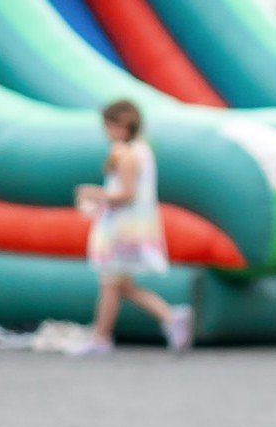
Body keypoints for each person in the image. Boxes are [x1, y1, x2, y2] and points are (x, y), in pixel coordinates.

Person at [72, 98, 191, 354]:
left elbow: (127, 193)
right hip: (134, 226)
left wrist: (95, 194)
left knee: (111, 281)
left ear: (121, 126)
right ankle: (169, 317)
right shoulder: (141, 150)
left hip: (122, 228)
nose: (106, 133)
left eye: (108, 126)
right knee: (119, 283)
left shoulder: (126, 154)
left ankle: (101, 337)